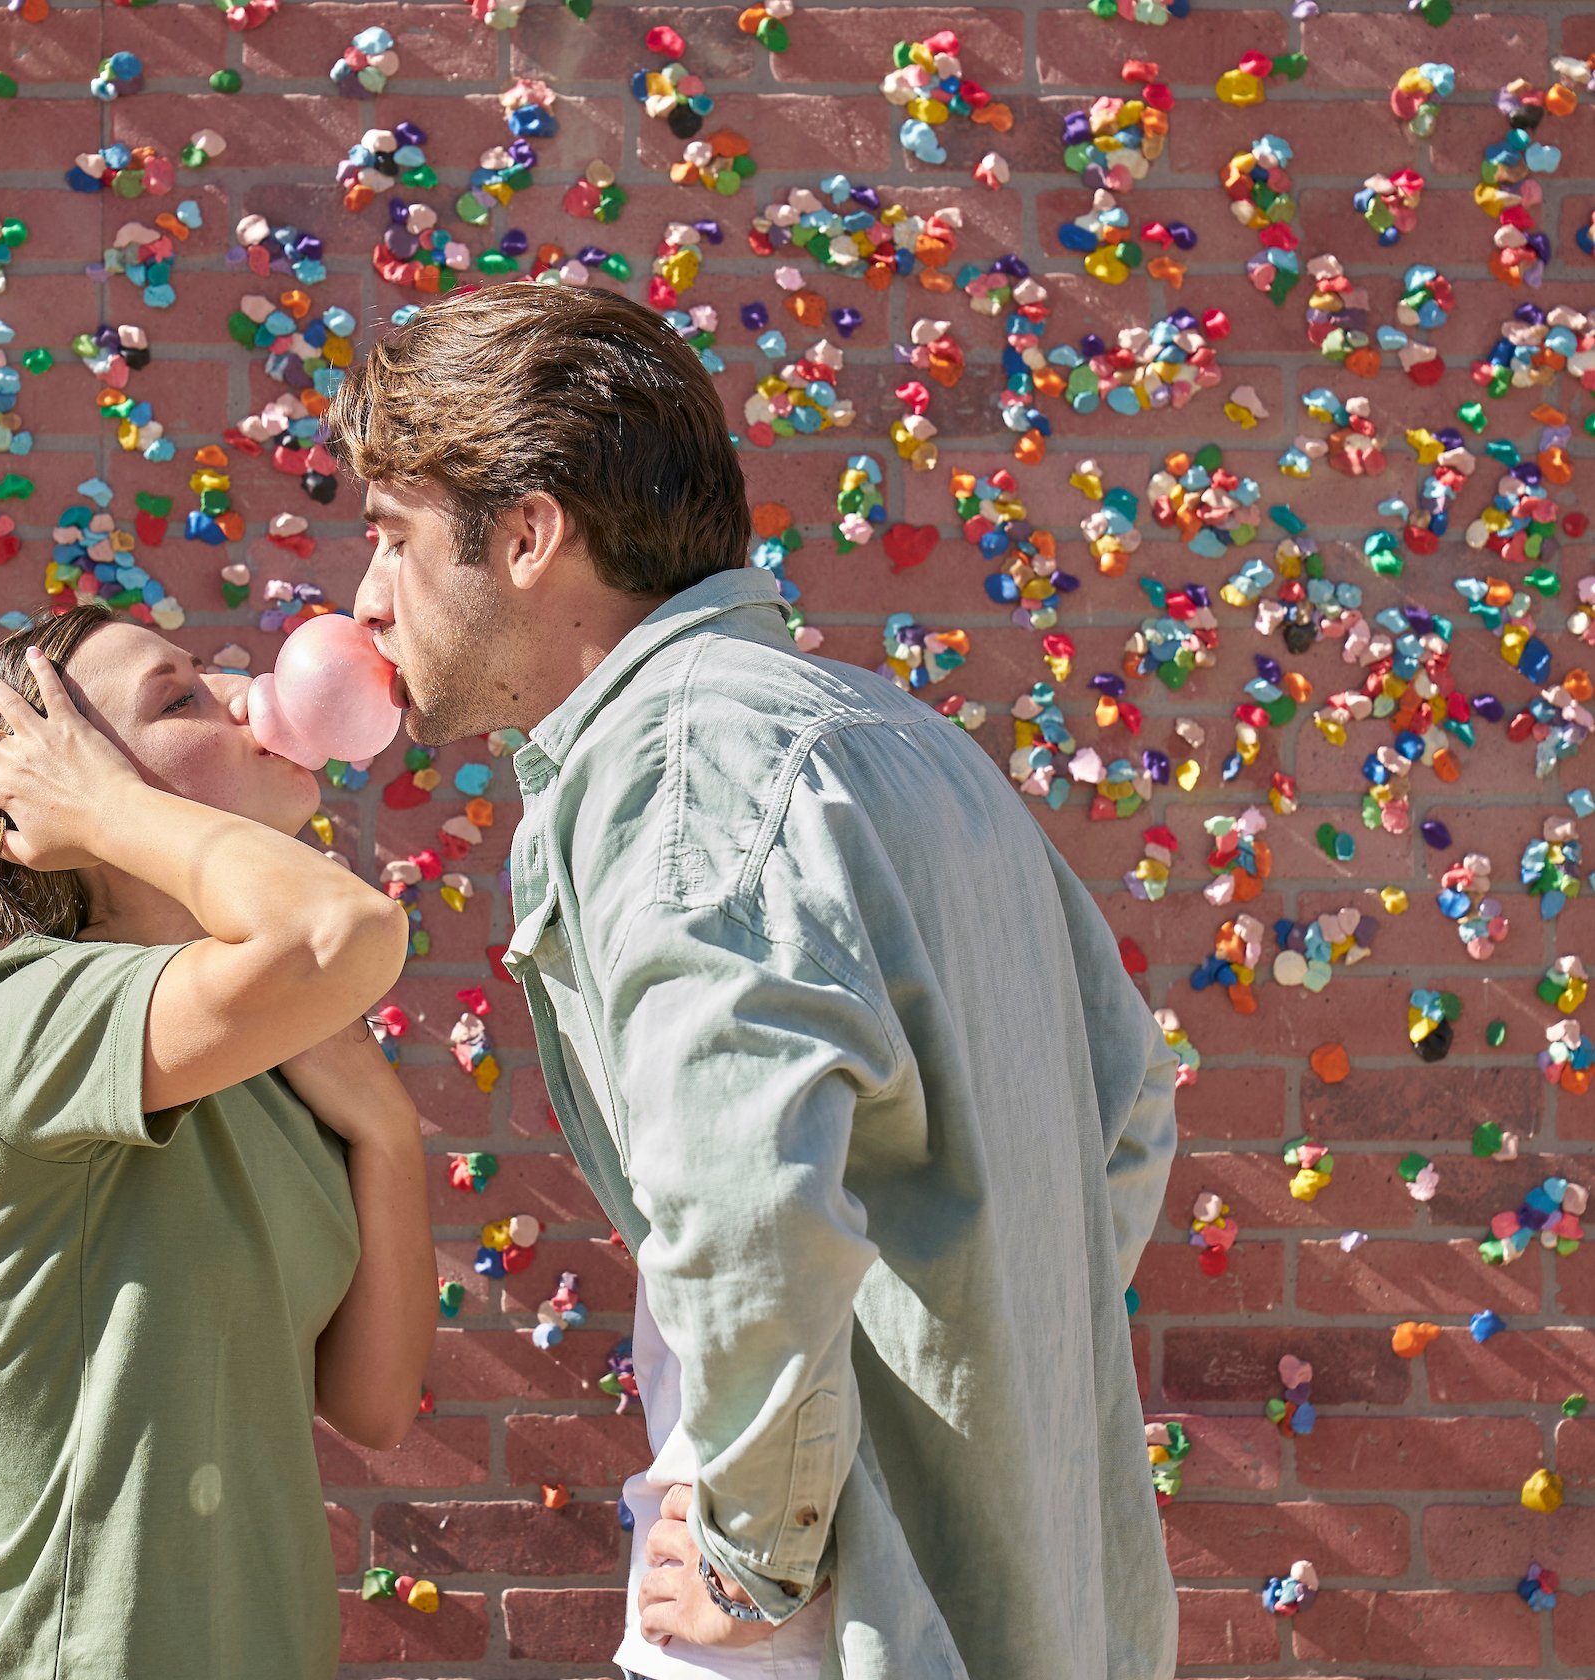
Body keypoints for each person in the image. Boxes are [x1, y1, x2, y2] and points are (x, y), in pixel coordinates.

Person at [326, 283, 1181, 1680]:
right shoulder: (905, 742)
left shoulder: (676, 773)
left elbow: (746, 1208)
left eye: (393, 537)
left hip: (817, 1624)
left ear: (530, 533)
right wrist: (981, 1352)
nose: (365, 597)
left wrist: (747, 1546)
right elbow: (1128, 1106)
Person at [0, 603, 435, 1678]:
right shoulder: (11, 1015)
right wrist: (105, 810)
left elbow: (374, 1404)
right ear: (67, 792)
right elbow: (347, 930)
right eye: (179, 697)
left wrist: (388, 1134)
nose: (250, 698)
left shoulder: (279, 1050)